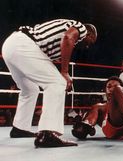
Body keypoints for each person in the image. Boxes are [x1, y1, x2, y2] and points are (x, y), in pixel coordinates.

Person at [2, 19, 97, 148]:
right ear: (90, 34)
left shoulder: (57, 40)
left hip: (10, 45)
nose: (88, 46)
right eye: (91, 41)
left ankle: (20, 128)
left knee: (30, 89)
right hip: (23, 45)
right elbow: (68, 37)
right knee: (57, 83)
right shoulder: (81, 28)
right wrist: (64, 72)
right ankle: (48, 133)